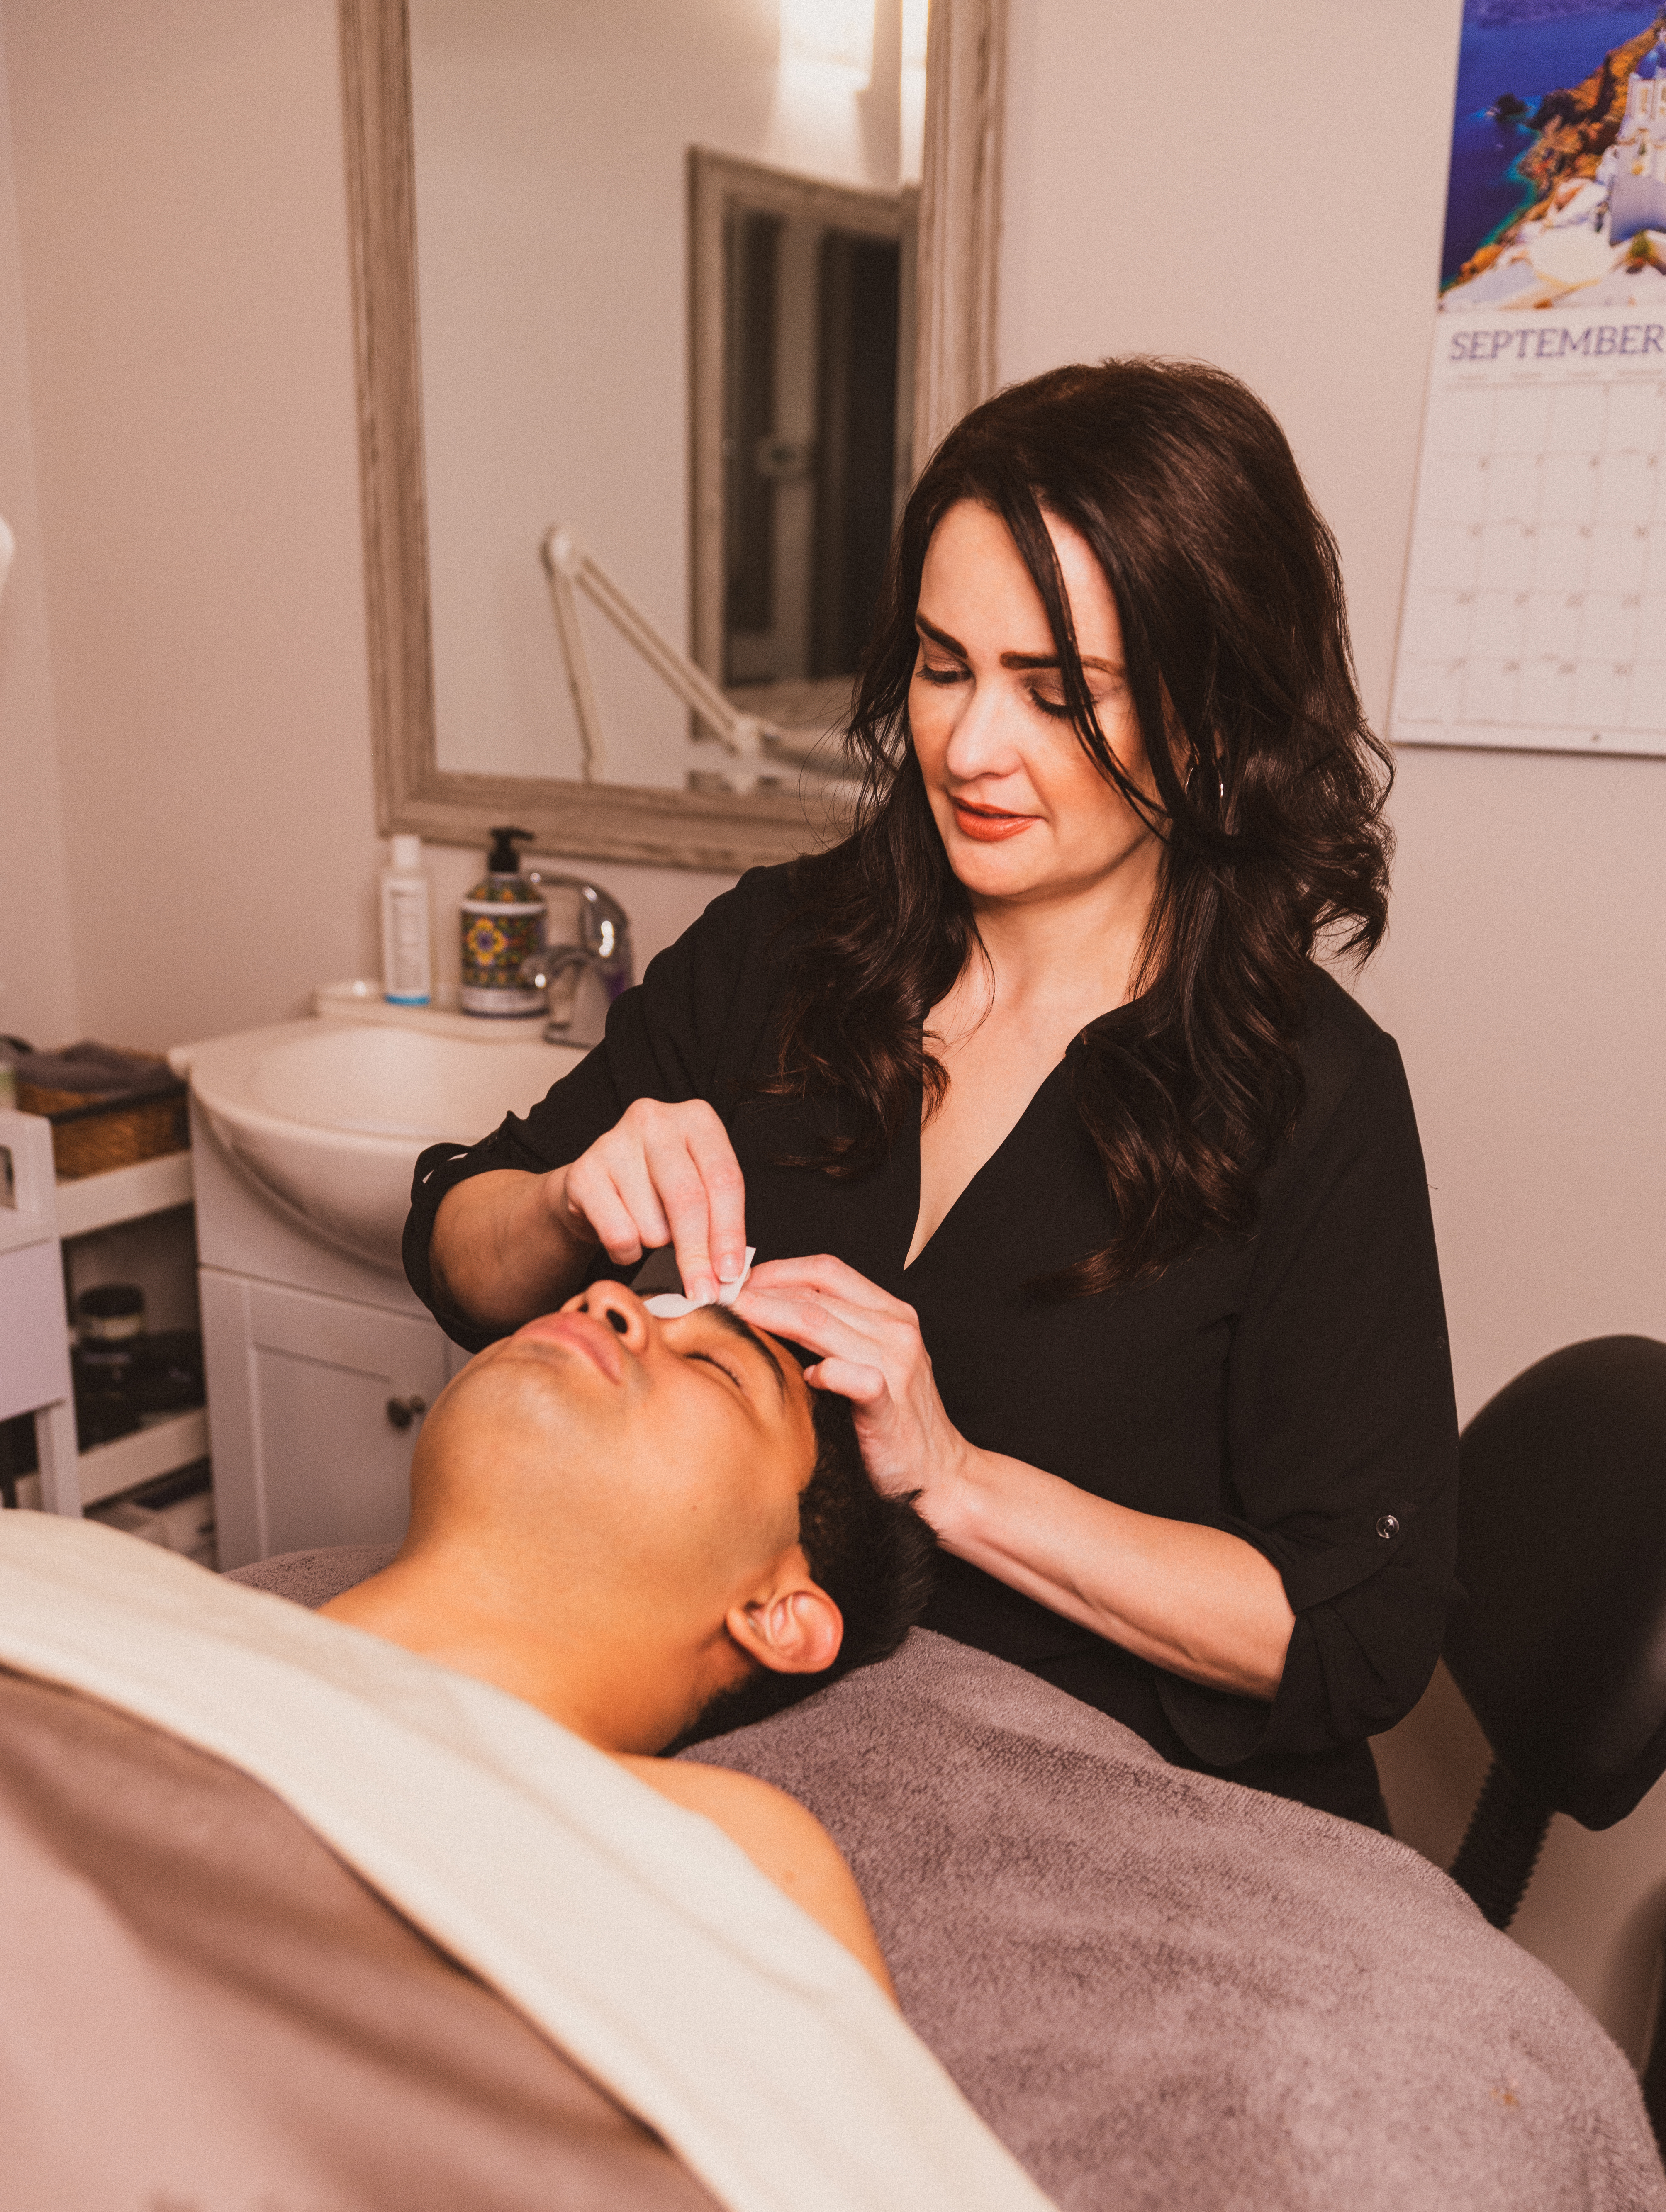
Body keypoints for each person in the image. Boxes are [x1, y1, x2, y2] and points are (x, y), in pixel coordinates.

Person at [404, 358, 1459, 1829]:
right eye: (943, 663)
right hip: (786, 1780)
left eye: (1057, 694)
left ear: (1211, 721)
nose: (966, 748)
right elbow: (458, 1251)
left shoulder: (1307, 1098)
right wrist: (568, 1199)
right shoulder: (788, 945)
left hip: (1130, 1828)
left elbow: (1352, 1630)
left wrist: (956, 1475)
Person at [322, 1277, 933, 1994]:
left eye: (713, 1366)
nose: (605, 1298)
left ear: (776, 1612)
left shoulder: (726, 1857)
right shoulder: (162, 1619)